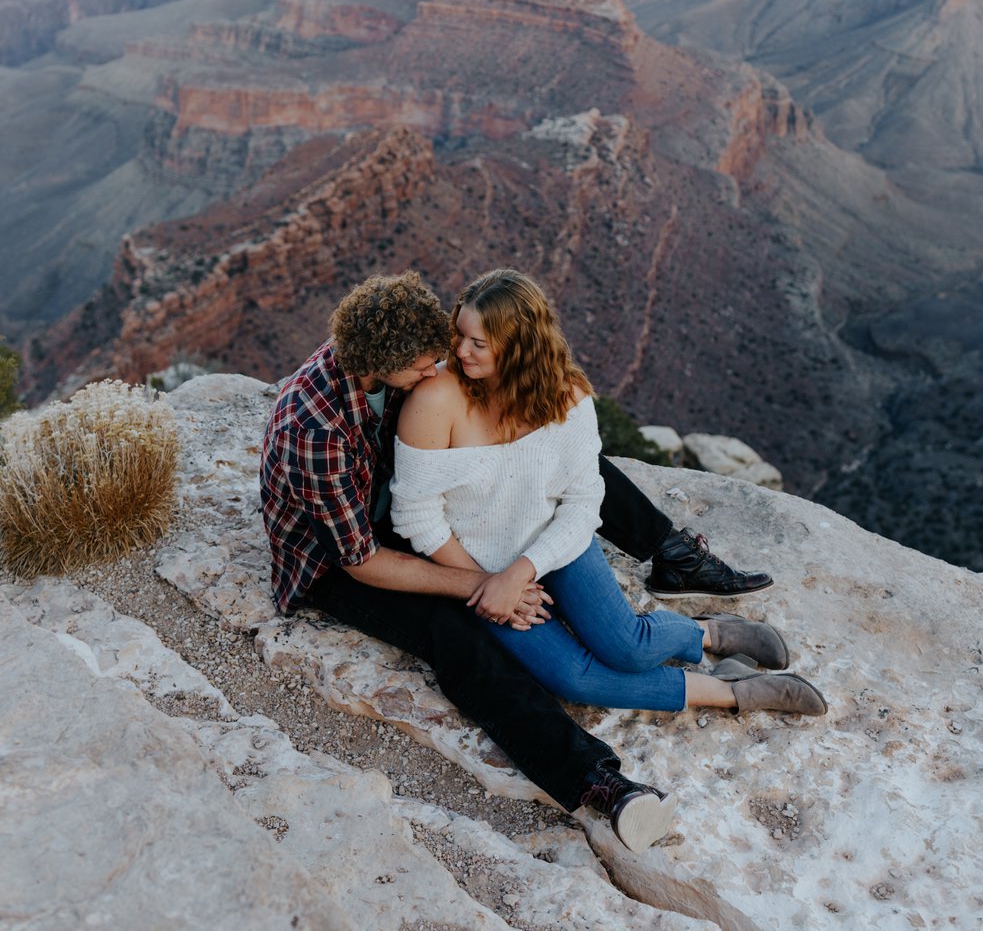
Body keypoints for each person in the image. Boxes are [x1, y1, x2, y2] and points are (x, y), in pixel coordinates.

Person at [259, 271, 784, 854]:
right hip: (342, 559)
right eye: (429, 364)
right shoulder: (317, 429)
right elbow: (362, 559)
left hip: (421, 516)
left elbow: (559, 471)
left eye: (455, 348)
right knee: (459, 639)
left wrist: (520, 567)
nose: (445, 367)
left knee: (552, 465)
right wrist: (486, 585)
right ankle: (598, 782)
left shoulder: (403, 363)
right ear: (385, 365)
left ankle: (672, 560)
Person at [391, 268, 827, 720]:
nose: (460, 352)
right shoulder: (435, 400)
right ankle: (739, 689)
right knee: (572, 678)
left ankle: (706, 635)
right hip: (477, 566)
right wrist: (488, 584)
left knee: (629, 648)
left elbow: (583, 502)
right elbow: (417, 518)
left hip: (554, 545)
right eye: (459, 334)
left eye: (478, 343)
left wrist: (524, 570)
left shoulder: (566, 395)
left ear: (520, 345)